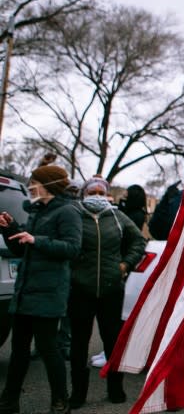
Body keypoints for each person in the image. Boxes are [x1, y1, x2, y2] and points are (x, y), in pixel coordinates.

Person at [0, 156, 82, 414]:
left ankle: (60, 401)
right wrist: (10, 228)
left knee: (49, 350)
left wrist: (37, 240)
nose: (30, 187)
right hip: (25, 293)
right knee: (19, 352)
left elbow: (73, 248)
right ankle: (9, 401)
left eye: (34, 183)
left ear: (48, 185)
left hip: (48, 294)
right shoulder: (37, 211)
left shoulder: (67, 211)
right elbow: (20, 247)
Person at [67, 177, 146, 408]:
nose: (98, 195)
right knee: (79, 344)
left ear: (108, 194)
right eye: (93, 191)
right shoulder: (74, 215)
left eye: (102, 192)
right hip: (80, 288)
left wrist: (125, 265)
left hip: (111, 289)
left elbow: (138, 242)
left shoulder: (117, 217)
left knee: (112, 341)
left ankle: (115, 388)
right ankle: (78, 394)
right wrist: (73, 268)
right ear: (84, 193)